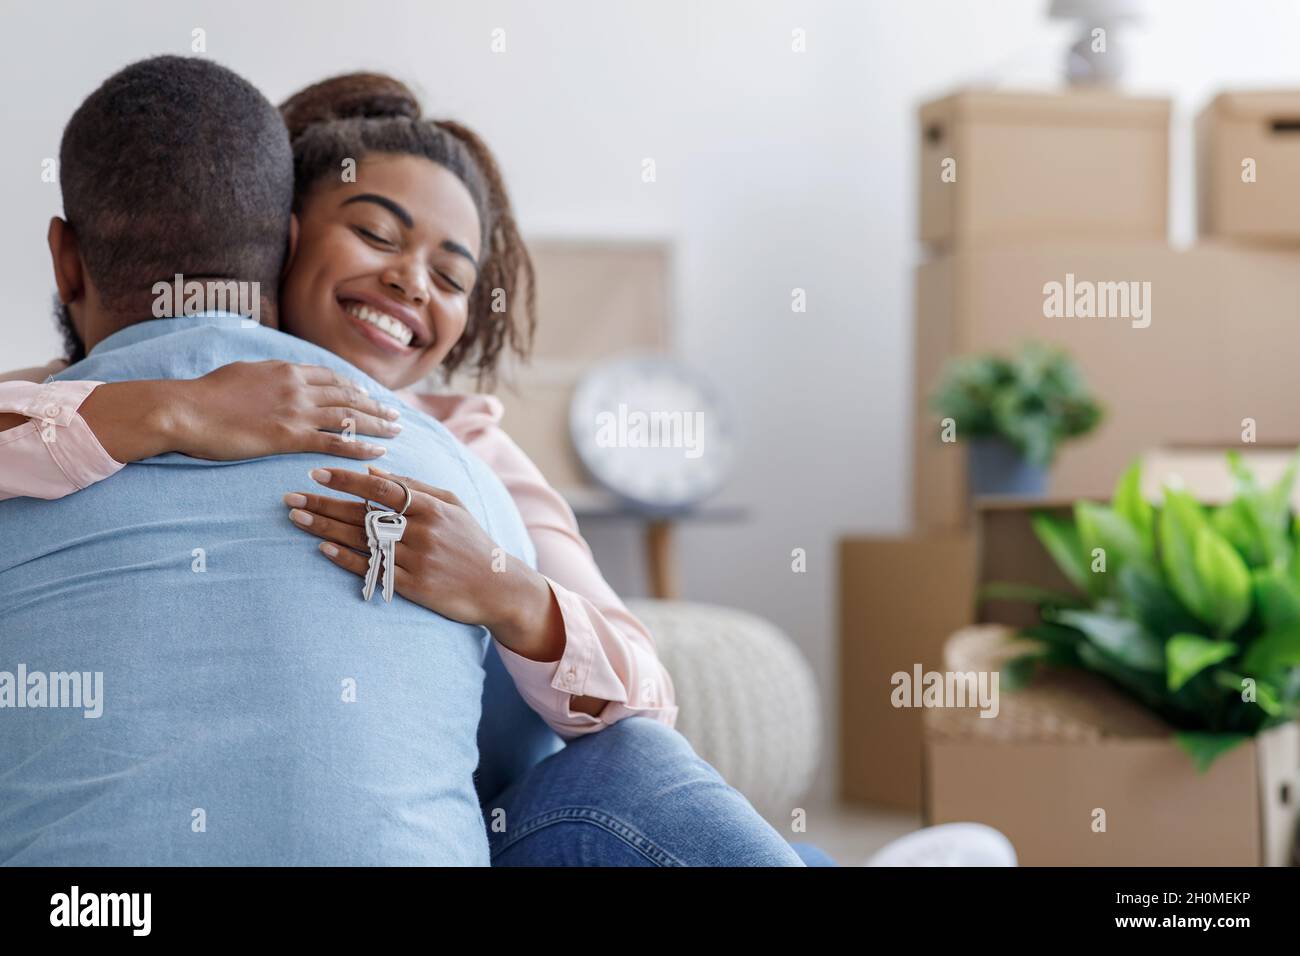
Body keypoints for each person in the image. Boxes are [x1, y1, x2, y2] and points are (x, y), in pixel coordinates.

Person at [0, 57, 812, 866]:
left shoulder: (474, 459)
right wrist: (175, 407)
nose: (409, 282)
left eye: (453, 277)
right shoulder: (66, 410)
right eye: (375, 234)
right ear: (281, 239)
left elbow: (639, 696)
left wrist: (505, 591)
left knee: (639, 764)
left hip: (484, 805)